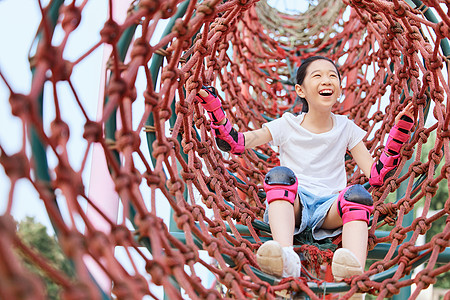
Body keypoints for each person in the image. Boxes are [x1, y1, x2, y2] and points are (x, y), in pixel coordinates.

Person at [195, 56, 415, 280]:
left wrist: (398, 133)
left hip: (329, 209)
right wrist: (214, 109)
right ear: (300, 90)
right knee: (280, 176)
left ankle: (354, 274)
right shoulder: (287, 124)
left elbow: (377, 175)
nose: (327, 81)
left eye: (332, 76)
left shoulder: (346, 127)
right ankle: (286, 257)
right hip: (293, 204)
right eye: (317, 76)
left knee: (358, 196)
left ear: (339, 90)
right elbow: (236, 142)